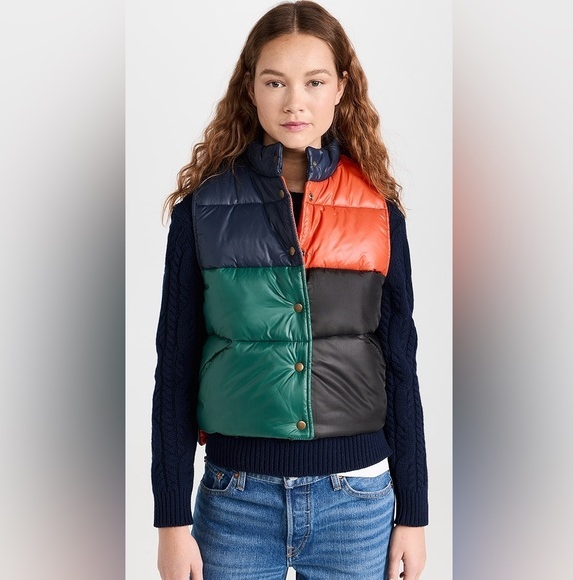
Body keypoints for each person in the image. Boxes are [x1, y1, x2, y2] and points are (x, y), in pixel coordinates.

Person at [151, 1, 428, 579]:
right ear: (250, 87)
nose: (294, 101)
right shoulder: (202, 211)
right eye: (275, 81)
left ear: (341, 88)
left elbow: (401, 363)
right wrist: (171, 522)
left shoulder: (380, 212)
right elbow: (175, 366)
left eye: (314, 82)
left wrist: (415, 514)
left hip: (356, 503)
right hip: (236, 502)